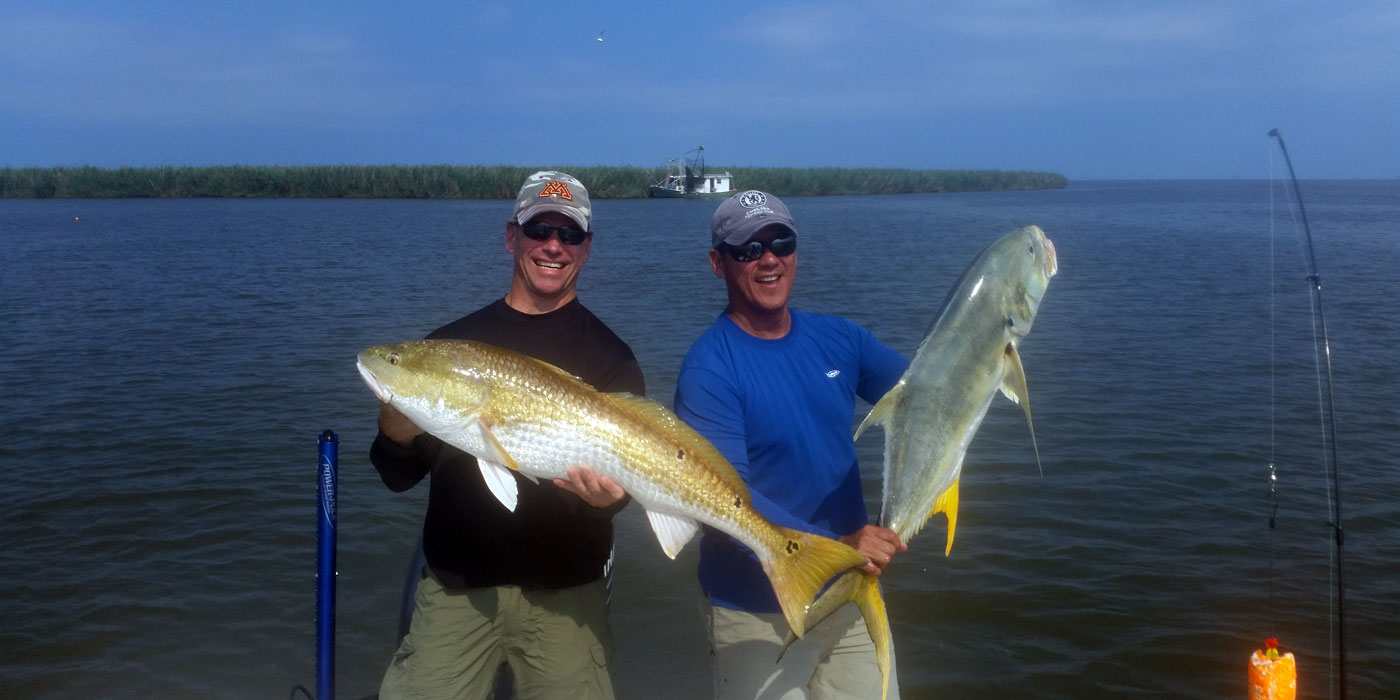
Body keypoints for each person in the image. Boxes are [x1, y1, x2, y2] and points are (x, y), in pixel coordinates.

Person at [370, 171, 644, 700]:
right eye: (539, 228)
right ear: (510, 235)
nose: (553, 246)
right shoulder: (449, 347)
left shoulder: (612, 358)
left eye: (570, 235)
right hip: (458, 592)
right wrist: (395, 433)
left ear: (587, 249)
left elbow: (618, 492)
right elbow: (397, 476)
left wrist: (607, 503)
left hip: (567, 596)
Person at [673, 190, 909, 699]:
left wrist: (989, 337)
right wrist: (843, 547)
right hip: (754, 613)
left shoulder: (842, 339)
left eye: (781, 241)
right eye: (747, 249)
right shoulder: (709, 371)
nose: (769, 258)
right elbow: (721, 502)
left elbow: (927, 397)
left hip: (851, 597)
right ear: (718, 263)